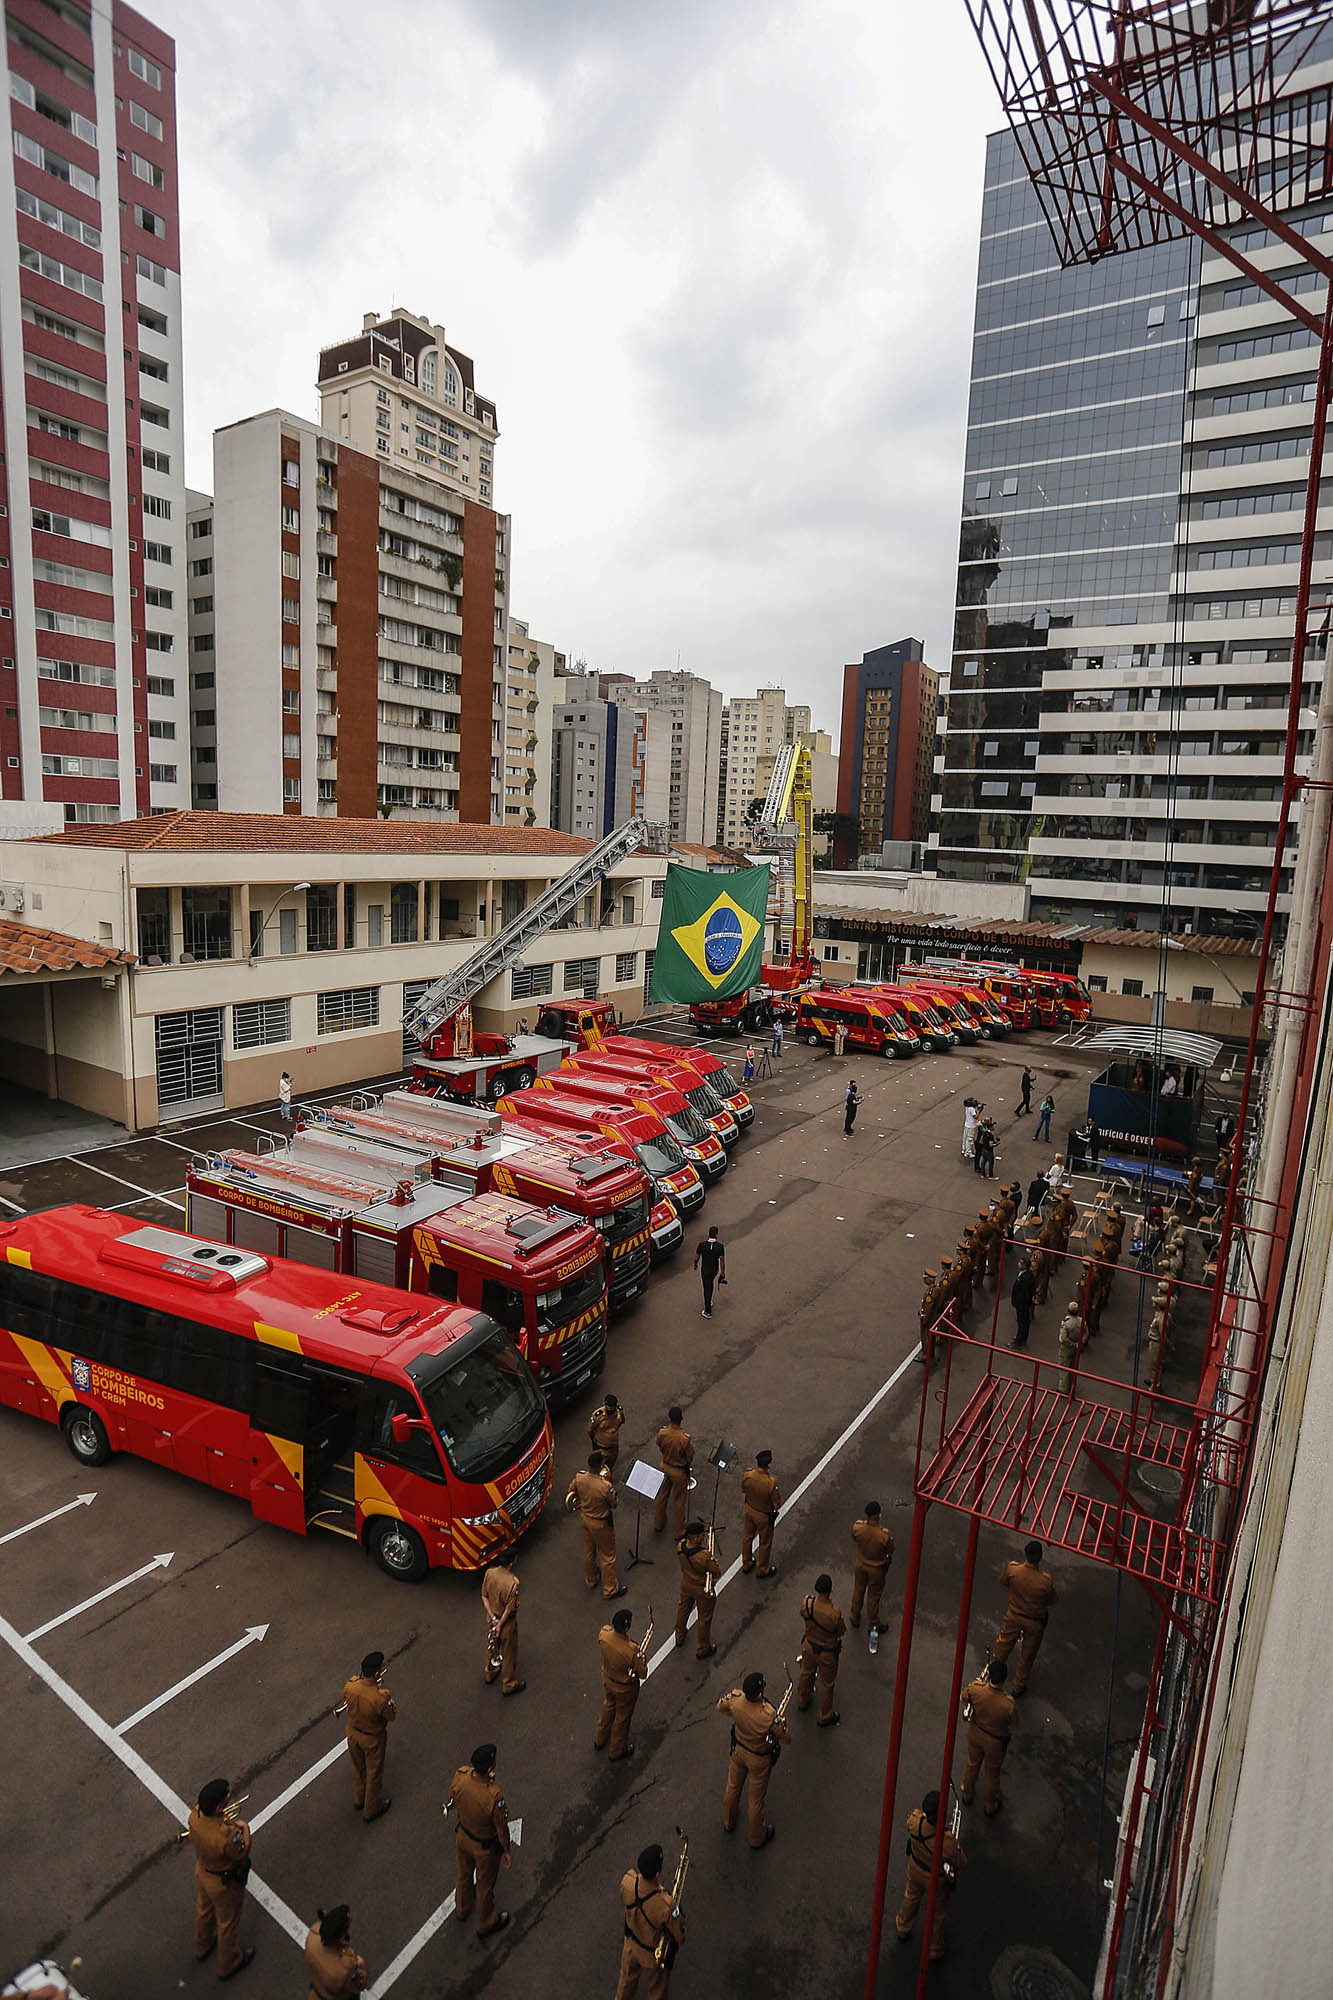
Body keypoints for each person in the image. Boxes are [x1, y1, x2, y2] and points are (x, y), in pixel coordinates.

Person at [187, 1777, 254, 1980]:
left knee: (204, 1909)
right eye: (225, 1799)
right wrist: (244, 1829)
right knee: (227, 1923)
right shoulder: (225, 1835)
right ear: (217, 1807)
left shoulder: (195, 1816)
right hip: (223, 1883)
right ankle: (229, 1963)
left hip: (203, 1872)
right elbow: (241, 1851)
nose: (228, 1799)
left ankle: (203, 1945)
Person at [445, 1744, 512, 1937]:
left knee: (464, 1873)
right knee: (484, 1885)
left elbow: (452, 1801)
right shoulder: (493, 1795)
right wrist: (506, 1850)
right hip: (484, 1847)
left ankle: (462, 1907)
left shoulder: (461, 1775)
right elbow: (501, 1828)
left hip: (463, 1836)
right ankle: (486, 1922)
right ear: (490, 1769)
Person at [716, 1670, 789, 1847]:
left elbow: (720, 1706)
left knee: (733, 1786)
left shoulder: (735, 1700)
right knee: (755, 1800)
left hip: (738, 1750)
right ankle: (756, 1837)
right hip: (759, 1758)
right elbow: (785, 1738)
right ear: (760, 1693)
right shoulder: (769, 1714)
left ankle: (728, 1821)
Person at [895, 1789, 965, 1961]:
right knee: (937, 1913)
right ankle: (934, 1948)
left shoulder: (915, 1822)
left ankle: (903, 1927)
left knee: (911, 1897)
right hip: (936, 1879)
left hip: (915, 1867)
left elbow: (912, 1817)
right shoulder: (947, 1841)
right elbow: (962, 1862)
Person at [615, 1842, 683, 1999]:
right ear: (657, 1874)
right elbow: (679, 1936)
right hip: (651, 1956)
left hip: (630, 1945)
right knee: (656, 1990)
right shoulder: (665, 1904)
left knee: (626, 1981)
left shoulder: (628, 1881)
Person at [992, 1539, 1059, 1694]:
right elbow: (1052, 1600)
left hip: (1014, 1615)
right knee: (1027, 1655)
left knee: (1003, 1644)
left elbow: (1003, 1581)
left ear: (1026, 1554)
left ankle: (994, 1671)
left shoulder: (1013, 1570)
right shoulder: (1045, 1581)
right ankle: (1018, 1686)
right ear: (1040, 1557)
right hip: (1034, 1622)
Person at [340, 1651, 395, 1822]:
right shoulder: (380, 1697)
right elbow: (391, 1715)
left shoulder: (350, 1685)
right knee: (374, 1773)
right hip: (372, 1738)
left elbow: (347, 1699)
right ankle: (371, 1809)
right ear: (377, 1673)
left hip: (353, 1733)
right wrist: (387, 1696)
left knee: (358, 1767)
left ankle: (359, 1798)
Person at [566, 1452, 626, 1599]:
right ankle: (610, 1589)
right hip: (600, 1523)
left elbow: (571, 1490)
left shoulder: (580, 1477)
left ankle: (591, 1579)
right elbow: (614, 1504)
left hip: (585, 1518)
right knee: (608, 1555)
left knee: (589, 1550)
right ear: (600, 1466)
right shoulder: (605, 1486)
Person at [960, 1659, 1017, 1815]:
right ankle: (989, 1805)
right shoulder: (1008, 1704)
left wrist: (979, 1684)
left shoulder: (976, 1689)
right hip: (995, 1742)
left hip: (975, 1731)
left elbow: (963, 1697)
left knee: (972, 1764)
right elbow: (1014, 1724)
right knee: (992, 1773)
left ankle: (967, 1794)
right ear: (1004, 1679)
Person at [595, 1606, 645, 1759]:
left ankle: (600, 1738)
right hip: (624, 1688)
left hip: (608, 1680)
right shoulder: (631, 1651)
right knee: (622, 1718)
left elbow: (606, 1629)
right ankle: (616, 1750)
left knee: (608, 1706)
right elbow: (642, 1673)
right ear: (627, 1627)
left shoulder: (603, 1635)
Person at [796, 1573, 845, 1726]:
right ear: (830, 1590)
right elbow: (841, 1631)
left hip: (809, 1645)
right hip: (827, 1652)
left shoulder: (807, 1603)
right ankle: (825, 1715)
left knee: (806, 1673)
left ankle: (803, 1700)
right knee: (827, 1684)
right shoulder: (834, 1613)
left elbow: (802, 1614)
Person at [675, 1516, 720, 1658]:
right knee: (704, 1618)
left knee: (683, 1609)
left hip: (686, 1583)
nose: (704, 1537)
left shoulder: (681, 1546)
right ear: (695, 1538)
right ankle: (703, 1648)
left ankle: (679, 1635)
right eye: (701, 1535)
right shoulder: (704, 1556)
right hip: (701, 1588)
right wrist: (712, 1558)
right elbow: (717, 1572)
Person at [850, 1500, 894, 1641]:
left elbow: (854, 1537)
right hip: (876, 1569)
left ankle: (855, 1617)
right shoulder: (884, 1535)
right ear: (879, 1515)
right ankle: (873, 1625)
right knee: (873, 1597)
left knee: (858, 1590)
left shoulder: (858, 1527)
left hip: (860, 1563)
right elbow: (890, 1550)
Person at [303, 1905, 367, 1999]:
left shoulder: (312, 1936)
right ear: (341, 1939)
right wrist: (361, 1965)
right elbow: (357, 1986)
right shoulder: (345, 1966)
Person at [481, 1558, 524, 1697]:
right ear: (511, 1563)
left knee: (492, 1646)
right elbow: (509, 1609)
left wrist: (493, 1618)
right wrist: (500, 1624)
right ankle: (508, 1684)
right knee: (508, 1652)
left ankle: (490, 1672)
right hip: (506, 1624)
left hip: (491, 1618)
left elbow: (484, 1596)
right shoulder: (513, 1583)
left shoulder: (489, 1573)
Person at [654, 1405, 695, 1535]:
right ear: (681, 1419)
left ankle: (658, 1523)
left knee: (662, 1496)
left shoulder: (662, 1433)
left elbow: (659, 1445)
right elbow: (690, 1456)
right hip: (678, 1471)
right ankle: (679, 1530)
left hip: (665, 1466)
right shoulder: (684, 1439)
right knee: (679, 1500)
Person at [740, 1449, 780, 1577]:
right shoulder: (770, 1482)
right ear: (768, 1465)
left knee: (747, 1537)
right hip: (763, 1515)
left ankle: (746, 1562)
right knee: (765, 1542)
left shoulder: (748, 1474)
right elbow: (776, 1504)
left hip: (749, 1509)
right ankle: (762, 1569)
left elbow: (743, 1489)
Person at [693, 1228, 726, 1320]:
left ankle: (708, 1311)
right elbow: (722, 1261)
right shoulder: (720, 1246)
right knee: (710, 1284)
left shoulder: (702, 1245)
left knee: (706, 1288)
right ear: (716, 1234)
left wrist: (695, 1264)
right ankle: (709, 1301)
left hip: (705, 1270)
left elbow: (696, 1257)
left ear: (709, 1234)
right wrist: (722, 1273)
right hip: (714, 1270)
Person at [588, 1393, 626, 1471]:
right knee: (598, 1467)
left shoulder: (619, 1412)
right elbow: (590, 1430)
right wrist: (595, 1441)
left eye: (612, 1407)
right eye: (608, 1407)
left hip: (613, 1446)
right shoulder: (598, 1415)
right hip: (600, 1447)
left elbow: (621, 1421)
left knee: (610, 1466)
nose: (610, 1409)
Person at [1010, 1254, 1035, 1349]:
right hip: (1021, 1304)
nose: (1019, 1264)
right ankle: (1021, 1338)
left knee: (1022, 1323)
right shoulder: (1025, 1274)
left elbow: (1026, 1292)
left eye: (1021, 1263)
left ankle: (1019, 1341)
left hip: (1022, 1304)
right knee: (1023, 1322)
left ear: (1025, 1265)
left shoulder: (1026, 1277)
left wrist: (1024, 1303)